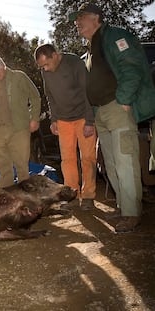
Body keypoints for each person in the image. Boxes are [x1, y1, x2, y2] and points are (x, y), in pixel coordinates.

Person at [69, 3, 155, 232]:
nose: (77, 22)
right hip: (101, 112)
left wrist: (125, 99)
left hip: (118, 107)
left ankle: (131, 212)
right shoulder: (90, 50)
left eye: (81, 17)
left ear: (96, 17)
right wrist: (94, 115)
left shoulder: (115, 35)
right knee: (110, 163)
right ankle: (123, 206)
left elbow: (131, 67)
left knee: (125, 160)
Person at [34, 43, 97, 210]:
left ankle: (89, 195)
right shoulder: (45, 72)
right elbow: (50, 97)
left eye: (46, 64)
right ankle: (72, 195)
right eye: (42, 66)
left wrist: (90, 121)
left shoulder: (74, 63)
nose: (45, 69)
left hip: (83, 117)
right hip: (63, 120)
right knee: (67, 160)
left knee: (87, 158)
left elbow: (87, 91)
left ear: (55, 55)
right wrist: (53, 120)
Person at [0, 53, 41, 188]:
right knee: (3, 169)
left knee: (22, 167)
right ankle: (7, 202)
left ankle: (26, 203)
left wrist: (34, 118)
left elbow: (35, 97)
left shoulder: (19, 77)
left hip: (19, 128)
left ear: (2, 65)